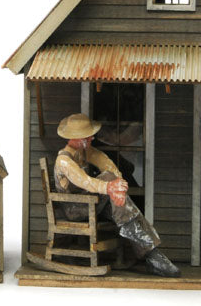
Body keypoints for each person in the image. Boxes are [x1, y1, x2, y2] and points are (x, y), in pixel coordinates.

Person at [53, 113, 180, 277]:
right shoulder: (64, 161)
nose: (92, 138)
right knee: (111, 185)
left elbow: (106, 163)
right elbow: (85, 181)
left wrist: (118, 185)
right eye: (88, 136)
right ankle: (153, 257)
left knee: (123, 208)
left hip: (90, 203)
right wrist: (110, 187)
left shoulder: (84, 151)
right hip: (74, 208)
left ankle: (152, 255)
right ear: (77, 138)